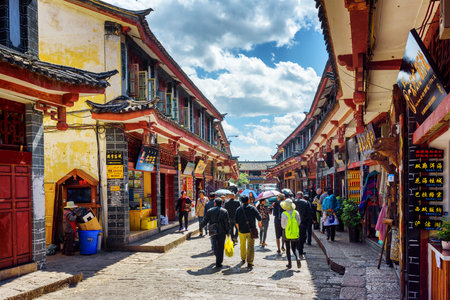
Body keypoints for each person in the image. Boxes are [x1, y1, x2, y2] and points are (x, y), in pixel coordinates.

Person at [200, 198, 231, 268]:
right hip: (222, 231)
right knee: (220, 246)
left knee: (215, 245)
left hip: (213, 230)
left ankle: (217, 258)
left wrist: (201, 227)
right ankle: (219, 261)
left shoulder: (210, 211)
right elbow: (227, 222)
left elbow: (205, 220)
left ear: (215, 203)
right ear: (221, 204)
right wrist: (228, 231)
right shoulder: (224, 211)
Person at [235, 195, 262, 268]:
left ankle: (243, 258)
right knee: (250, 246)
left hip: (241, 230)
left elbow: (236, 222)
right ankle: (250, 262)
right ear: (248, 200)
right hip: (251, 230)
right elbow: (259, 217)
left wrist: (238, 229)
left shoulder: (238, 209)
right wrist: (259, 223)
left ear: (241, 201)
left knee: (242, 245)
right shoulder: (252, 208)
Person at [281, 198, 301, 269]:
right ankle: (297, 257)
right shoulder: (296, 213)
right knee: (294, 248)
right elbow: (298, 223)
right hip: (295, 233)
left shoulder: (284, 214)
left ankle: (289, 263)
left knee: (288, 248)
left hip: (287, 233)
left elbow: (283, 226)